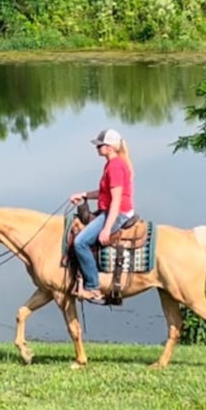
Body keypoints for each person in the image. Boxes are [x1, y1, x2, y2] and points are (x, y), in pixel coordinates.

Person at [69, 129, 135, 303]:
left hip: (117, 213)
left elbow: (116, 199)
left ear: (110, 147)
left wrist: (106, 229)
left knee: (80, 242)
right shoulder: (112, 164)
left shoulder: (115, 166)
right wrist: (84, 194)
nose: (97, 148)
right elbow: (104, 192)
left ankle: (93, 287)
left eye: (100, 145)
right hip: (112, 209)